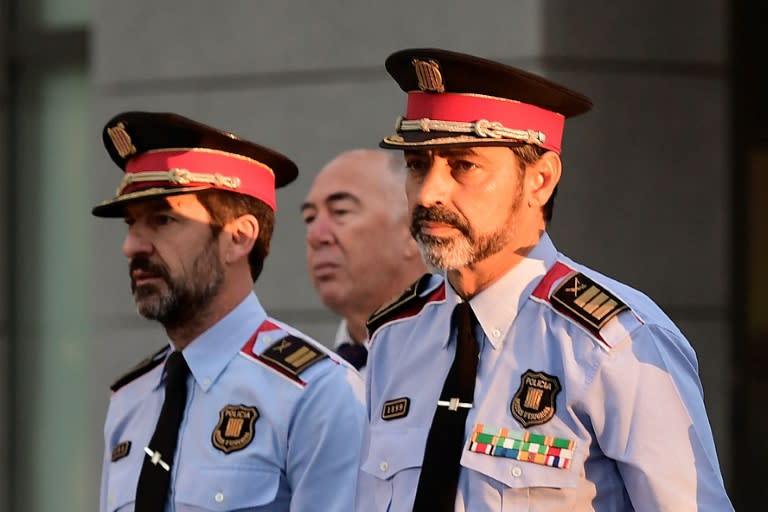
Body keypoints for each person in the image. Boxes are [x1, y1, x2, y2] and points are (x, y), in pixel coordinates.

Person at [355, 48, 734, 511]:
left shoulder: (616, 342)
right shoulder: (395, 335)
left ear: (539, 180)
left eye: (463, 165)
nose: (430, 191)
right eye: (418, 165)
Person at [93, 111, 364, 512]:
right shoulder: (131, 399)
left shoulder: (318, 394)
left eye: (162, 219)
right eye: (132, 224)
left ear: (238, 238)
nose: (132, 246)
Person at [301, 149, 428, 372]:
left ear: (411, 231)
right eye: (309, 218)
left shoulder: (466, 355)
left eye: (340, 212)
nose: (315, 236)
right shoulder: (310, 378)